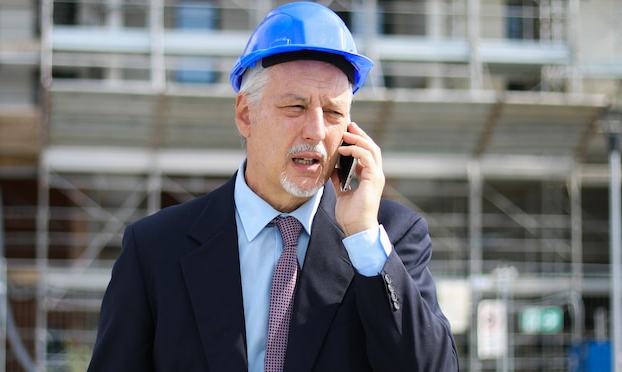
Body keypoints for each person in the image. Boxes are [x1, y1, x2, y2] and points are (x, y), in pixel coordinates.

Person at [87, 2, 459, 371]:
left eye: (333, 113)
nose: (316, 131)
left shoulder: (389, 237)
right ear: (246, 114)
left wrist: (362, 237)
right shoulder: (154, 248)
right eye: (295, 107)